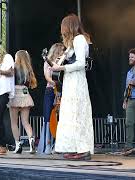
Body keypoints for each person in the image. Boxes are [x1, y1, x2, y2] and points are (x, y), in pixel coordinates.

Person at [50, 14, 94, 160]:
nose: (61, 30)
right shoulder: (71, 44)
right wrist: (59, 63)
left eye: (63, 26)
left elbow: (81, 63)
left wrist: (62, 68)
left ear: (69, 26)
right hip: (70, 82)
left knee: (78, 114)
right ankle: (75, 147)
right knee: (70, 114)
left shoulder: (80, 39)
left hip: (77, 82)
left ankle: (83, 149)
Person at [37, 43, 65, 155]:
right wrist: (56, 84)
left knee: (61, 118)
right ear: (57, 51)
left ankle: (58, 144)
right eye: (62, 50)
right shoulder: (47, 62)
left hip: (62, 91)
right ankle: (47, 144)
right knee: (48, 117)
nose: (64, 52)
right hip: (50, 91)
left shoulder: (62, 63)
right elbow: (47, 77)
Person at [8, 50, 37, 154]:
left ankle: (18, 144)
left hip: (15, 93)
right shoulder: (28, 69)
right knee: (25, 121)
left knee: (14, 122)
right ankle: (31, 140)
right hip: (25, 92)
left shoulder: (13, 67)